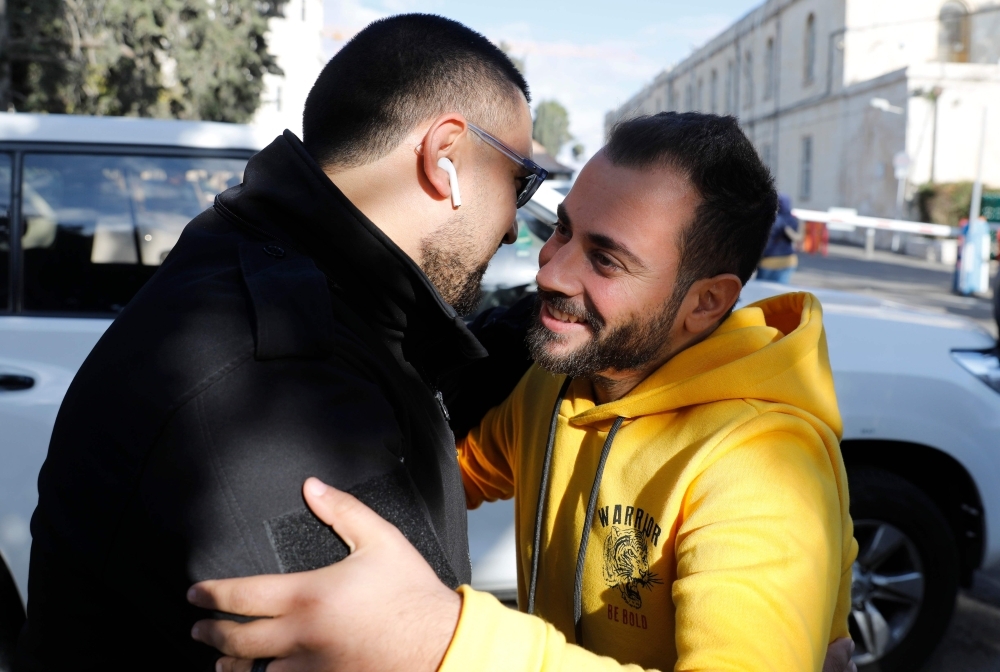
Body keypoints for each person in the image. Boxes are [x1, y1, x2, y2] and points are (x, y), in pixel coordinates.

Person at [188, 113, 858, 672]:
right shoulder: (562, 384)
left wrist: (438, 637)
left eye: (605, 259)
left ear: (707, 304)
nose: (551, 270)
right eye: (562, 228)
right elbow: (446, 478)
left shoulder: (765, 467)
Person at [16, 15, 541, 670]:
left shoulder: (268, 260)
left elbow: (411, 390)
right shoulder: (284, 382)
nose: (517, 226)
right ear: (445, 156)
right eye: (520, 181)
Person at [757, 194, 802, 284]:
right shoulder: (793, 220)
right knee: (779, 294)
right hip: (788, 261)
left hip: (768, 262)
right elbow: (798, 237)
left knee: (762, 293)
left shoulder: (770, 220)